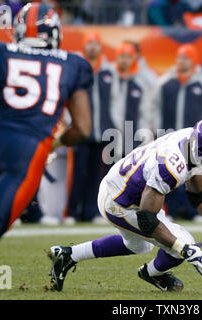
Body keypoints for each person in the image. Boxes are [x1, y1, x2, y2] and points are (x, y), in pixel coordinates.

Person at [47, 118, 202, 292]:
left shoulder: (192, 140)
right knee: (183, 241)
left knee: (138, 245)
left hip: (123, 188)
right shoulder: (171, 164)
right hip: (119, 201)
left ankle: (68, 255)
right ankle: (150, 274)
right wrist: (182, 248)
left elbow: (197, 195)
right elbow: (147, 219)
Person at [0, 2, 93, 298]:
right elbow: (82, 128)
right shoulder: (72, 63)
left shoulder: (0, 52)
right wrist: (56, 142)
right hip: (27, 152)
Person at [151, 43, 202, 220]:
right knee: (168, 172)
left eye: (185, 57)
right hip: (169, 135)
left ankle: (193, 210)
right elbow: (154, 107)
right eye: (179, 57)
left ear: (193, 60)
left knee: (193, 174)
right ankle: (171, 210)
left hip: (193, 138)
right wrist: (158, 130)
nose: (181, 61)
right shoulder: (165, 82)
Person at [67, 31, 119, 224]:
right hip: (81, 129)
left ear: (100, 46)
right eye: (89, 43)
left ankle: (92, 211)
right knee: (78, 173)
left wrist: (116, 126)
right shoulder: (77, 68)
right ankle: (73, 211)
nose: (92, 47)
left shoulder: (109, 71)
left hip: (103, 130)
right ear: (84, 45)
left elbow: (116, 102)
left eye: (96, 43)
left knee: (98, 175)